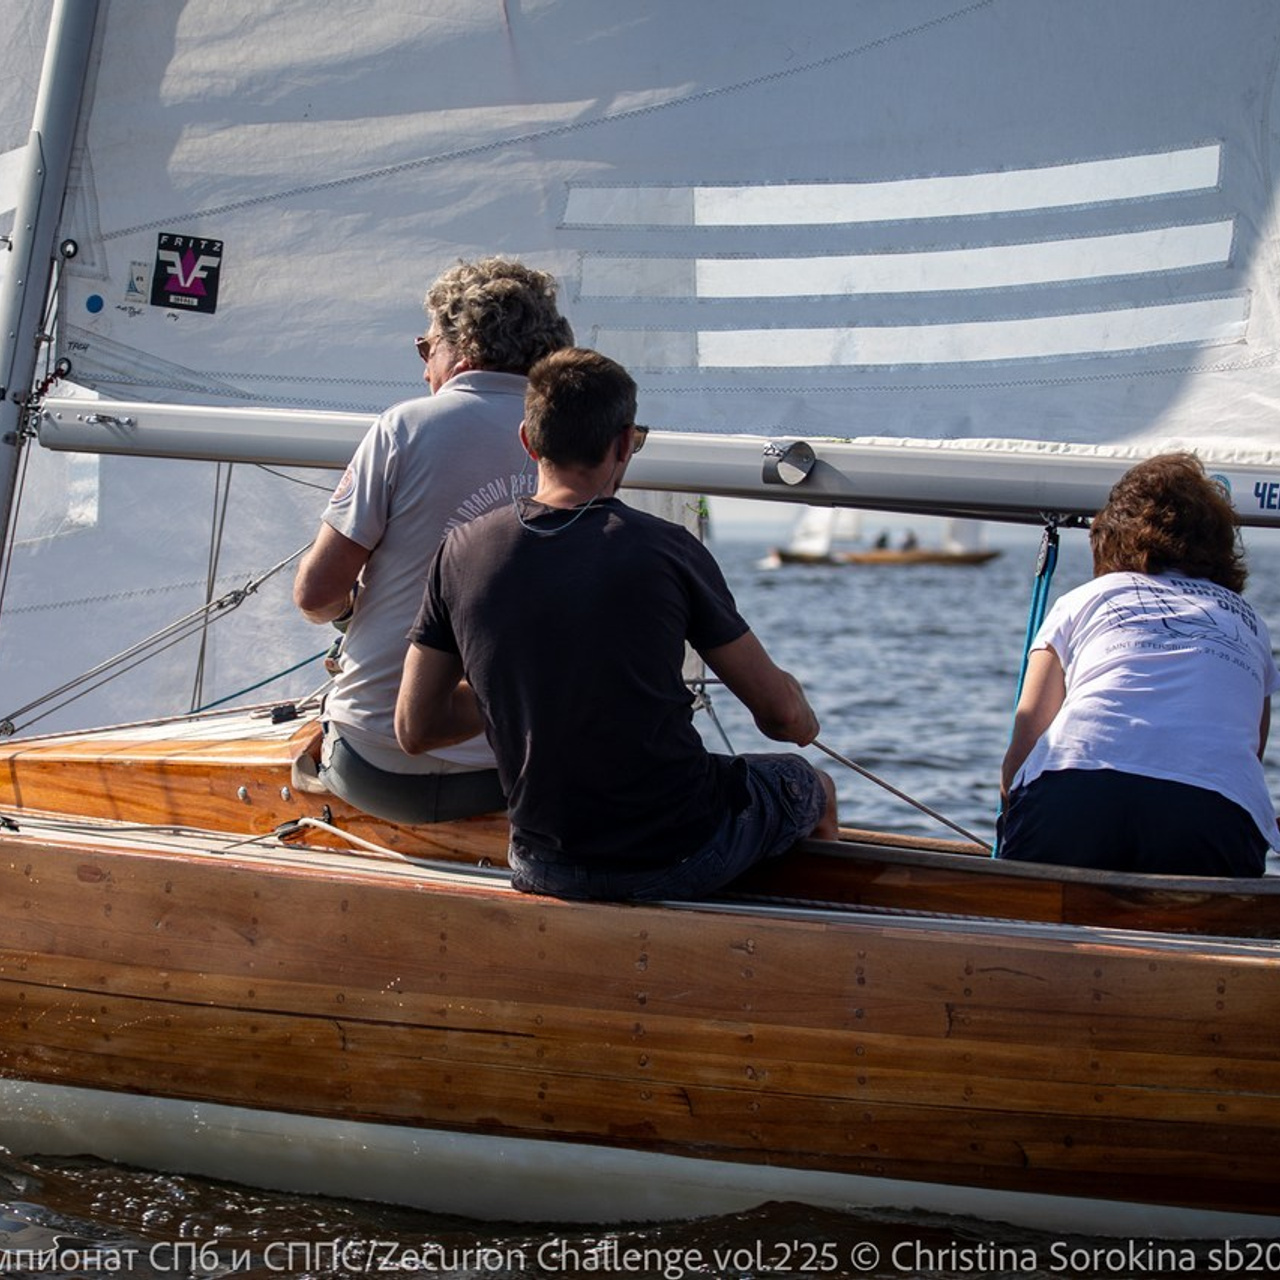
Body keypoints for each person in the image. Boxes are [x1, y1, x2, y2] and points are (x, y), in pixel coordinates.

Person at [395, 347, 838, 901]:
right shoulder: (666, 549)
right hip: (677, 854)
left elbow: (415, 728)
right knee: (809, 787)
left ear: (528, 441)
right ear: (625, 442)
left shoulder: (460, 551)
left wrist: (523, 688)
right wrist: (805, 720)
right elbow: (780, 716)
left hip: (542, 862)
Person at [293, 257, 572, 824]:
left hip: (376, 765)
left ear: (459, 346)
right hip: (506, 772)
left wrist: (348, 611)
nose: (425, 370)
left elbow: (316, 595)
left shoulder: (406, 426)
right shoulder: (575, 442)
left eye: (427, 350)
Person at [999, 451, 1279, 877]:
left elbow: (1022, 752)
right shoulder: (1249, 624)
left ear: (1109, 535)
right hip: (1213, 817)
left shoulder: (1087, 599)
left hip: (1074, 798)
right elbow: (1246, 752)